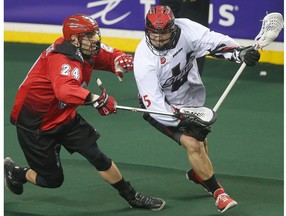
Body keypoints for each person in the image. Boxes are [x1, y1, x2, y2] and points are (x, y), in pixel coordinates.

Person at [4, 14, 165, 211]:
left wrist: (119, 60)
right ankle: (16, 172)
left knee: (98, 157)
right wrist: (98, 100)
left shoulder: (86, 49)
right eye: (89, 36)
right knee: (52, 180)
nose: (95, 40)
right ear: (74, 39)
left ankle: (132, 197)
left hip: (64, 116)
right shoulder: (62, 58)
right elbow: (64, 91)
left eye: (95, 34)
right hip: (36, 124)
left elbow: (109, 54)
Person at [133, 6, 260, 213]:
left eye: (163, 33)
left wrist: (238, 53)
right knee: (193, 143)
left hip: (189, 97)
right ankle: (219, 193)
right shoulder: (144, 61)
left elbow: (212, 41)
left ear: (173, 29)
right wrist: (183, 121)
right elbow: (154, 106)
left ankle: (198, 174)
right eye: (153, 34)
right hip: (162, 108)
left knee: (200, 140)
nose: (158, 39)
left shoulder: (187, 29)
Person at [159, 0, 210, 75]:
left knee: (193, 39)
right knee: (162, 36)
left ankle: (191, 84)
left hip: (193, 5)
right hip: (169, 3)